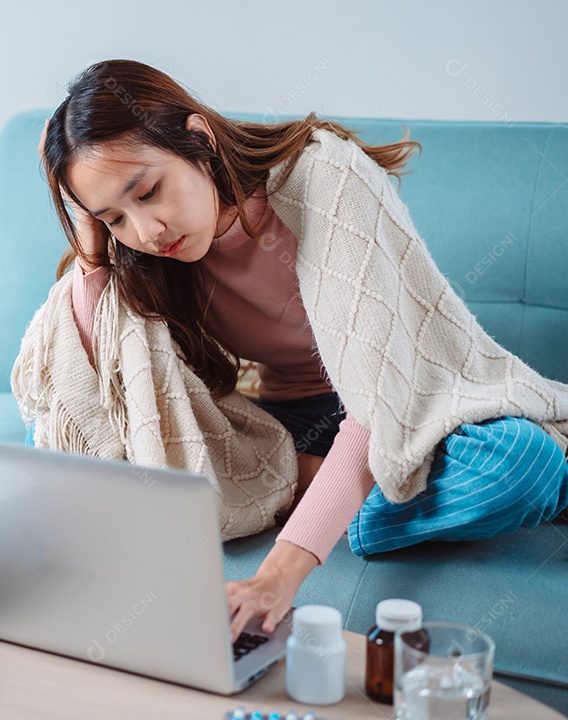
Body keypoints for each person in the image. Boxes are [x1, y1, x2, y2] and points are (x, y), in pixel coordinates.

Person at [34, 59, 568, 643]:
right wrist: (91, 257)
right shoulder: (145, 254)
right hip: (292, 421)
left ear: (200, 141)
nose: (149, 230)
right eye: (114, 217)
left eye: (149, 192)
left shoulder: (322, 177)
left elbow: (374, 405)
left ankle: (286, 490)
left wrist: (280, 573)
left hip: (408, 403)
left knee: (524, 463)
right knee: (135, 465)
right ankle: (304, 480)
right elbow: (96, 384)